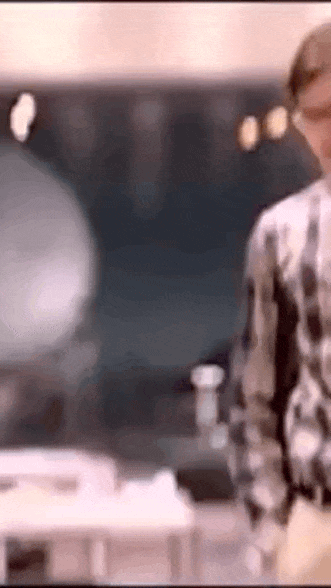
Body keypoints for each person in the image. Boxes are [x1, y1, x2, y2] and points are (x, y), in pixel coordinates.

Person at [228, 21, 331, 584]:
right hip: (320, 525)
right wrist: (276, 533)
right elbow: (253, 396)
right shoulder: (282, 232)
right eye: (318, 115)